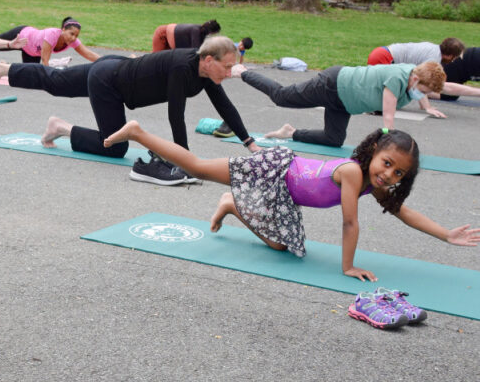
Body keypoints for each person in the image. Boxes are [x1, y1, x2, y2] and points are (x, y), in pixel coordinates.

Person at [104, 121, 479, 288]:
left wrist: (447, 235)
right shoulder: (352, 173)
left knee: (284, 246)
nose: (390, 177)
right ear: (373, 152)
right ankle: (139, 133)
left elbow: (403, 212)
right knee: (199, 167)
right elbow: (350, 224)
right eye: (387, 165)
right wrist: (347, 267)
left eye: (399, 174)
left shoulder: (372, 182)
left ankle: (233, 205)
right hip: (275, 170)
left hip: (286, 192)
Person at [0, 36, 261, 185]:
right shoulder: (182, 67)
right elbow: (176, 114)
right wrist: (185, 161)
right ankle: (58, 125)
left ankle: (6, 70)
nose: (229, 73)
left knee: (59, 83)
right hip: (110, 82)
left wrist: (250, 145)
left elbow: (225, 105)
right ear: (209, 60)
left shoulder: (205, 72)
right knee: (115, 147)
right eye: (226, 67)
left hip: (113, 69)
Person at [235, 61, 447, 146]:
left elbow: (450, 88)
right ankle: (244, 72)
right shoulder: (396, 78)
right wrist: (392, 147)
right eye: (424, 91)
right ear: (417, 80)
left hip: (343, 102)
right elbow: (388, 120)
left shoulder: (415, 76)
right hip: (332, 85)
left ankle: (290, 132)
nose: (422, 96)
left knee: (334, 139)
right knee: (281, 97)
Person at [0, 17, 100, 65]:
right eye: (71, 34)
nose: (73, 38)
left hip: (31, 52)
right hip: (21, 35)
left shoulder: (72, 41)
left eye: (76, 35)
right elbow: (45, 61)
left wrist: (109, 62)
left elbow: (89, 54)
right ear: (63, 29)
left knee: (28, 77)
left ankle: (4, 65)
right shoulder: (52, 35)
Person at [366, 37, 464, 66]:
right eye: (454, 57)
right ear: (449, 55)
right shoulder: (434, 59)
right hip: (384, 57)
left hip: (381, 51)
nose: (453, 60)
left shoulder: (432, 47)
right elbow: (419, 82)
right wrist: (427, 106)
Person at [151, 20, 221, 52]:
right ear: (210, 31)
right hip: (162, 34)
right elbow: (195, 51)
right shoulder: (196, 31)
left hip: (173, 36)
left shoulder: (201, 33)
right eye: (214, 33)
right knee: (155, 60)